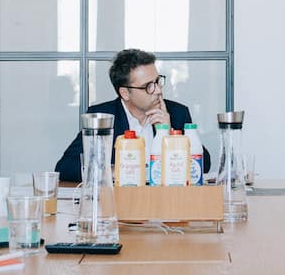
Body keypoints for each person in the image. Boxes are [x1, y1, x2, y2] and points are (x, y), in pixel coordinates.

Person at [55, 48, 210, 182]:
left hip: (168, 203)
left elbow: (205, 165)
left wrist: (171, 135)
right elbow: (65, 167)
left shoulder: (177, 113)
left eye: (158, 81)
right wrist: (111, 171)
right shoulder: (103, 117)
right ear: (125, 93)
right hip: (121, 204)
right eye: (148, 86)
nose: (158, 90)